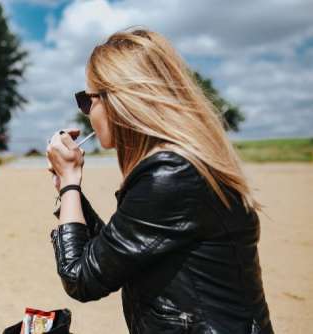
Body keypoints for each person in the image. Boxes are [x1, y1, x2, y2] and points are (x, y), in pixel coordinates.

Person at [45, 27, 273, 334]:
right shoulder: (183, 167)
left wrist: (71, 180)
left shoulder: (172, 177)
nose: (86, 113)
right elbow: (114, 251)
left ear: (120, 100)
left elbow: (81, 278)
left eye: (88, 100)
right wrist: (69, 188)